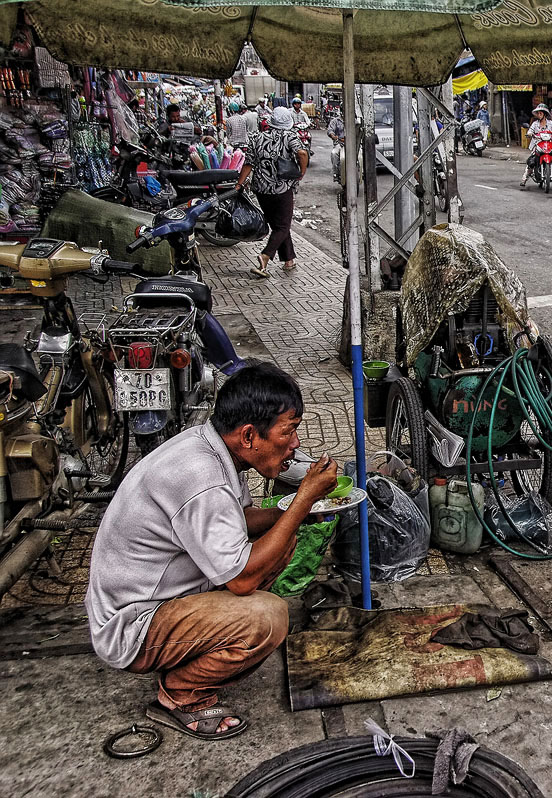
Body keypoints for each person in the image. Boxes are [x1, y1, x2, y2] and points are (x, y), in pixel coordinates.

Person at [85, 363, 338, 741]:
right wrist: (302, 501)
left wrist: (293, 512)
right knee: (266, 617)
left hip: (164, 599)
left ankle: (190, 652)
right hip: (131, 625)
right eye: (289, 431)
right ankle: (181, 694)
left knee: (280, 546)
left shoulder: (216, 448)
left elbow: (240, 518)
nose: (296, 443)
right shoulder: (201, 476)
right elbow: (241, 579)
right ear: (249, 435)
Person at [238, 106, 308, 277]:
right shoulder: (289, 136)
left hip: (261, 189)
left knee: (278, 225)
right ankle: (265, 256)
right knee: (283, 226)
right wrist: (301, 172)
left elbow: (248, 163)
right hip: (281, 188)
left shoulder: (256, 138)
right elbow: (302, 153)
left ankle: (288, 260)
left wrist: (239, 184)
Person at [520, 103, 552, 188]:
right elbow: (530, 131)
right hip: (538, 145)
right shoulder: (535, 124)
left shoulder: (550, 123)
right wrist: (530, 134)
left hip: (549, 145)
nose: (539, 115)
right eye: (538, 113)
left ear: (545, 114)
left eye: (541, 113)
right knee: (531, 161)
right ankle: (524, 178)